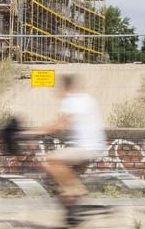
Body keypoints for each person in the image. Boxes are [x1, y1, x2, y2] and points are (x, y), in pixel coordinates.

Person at [25, 73, 107, 205]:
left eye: (59, 87)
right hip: (96, 146)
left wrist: (31, 132)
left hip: (85, 148)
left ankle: (77, 190)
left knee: (49, 160)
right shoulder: (88, 99)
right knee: (65, 180)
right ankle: (72, 212)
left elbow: (58, 126)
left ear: (65, 87)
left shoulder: (70, 100)